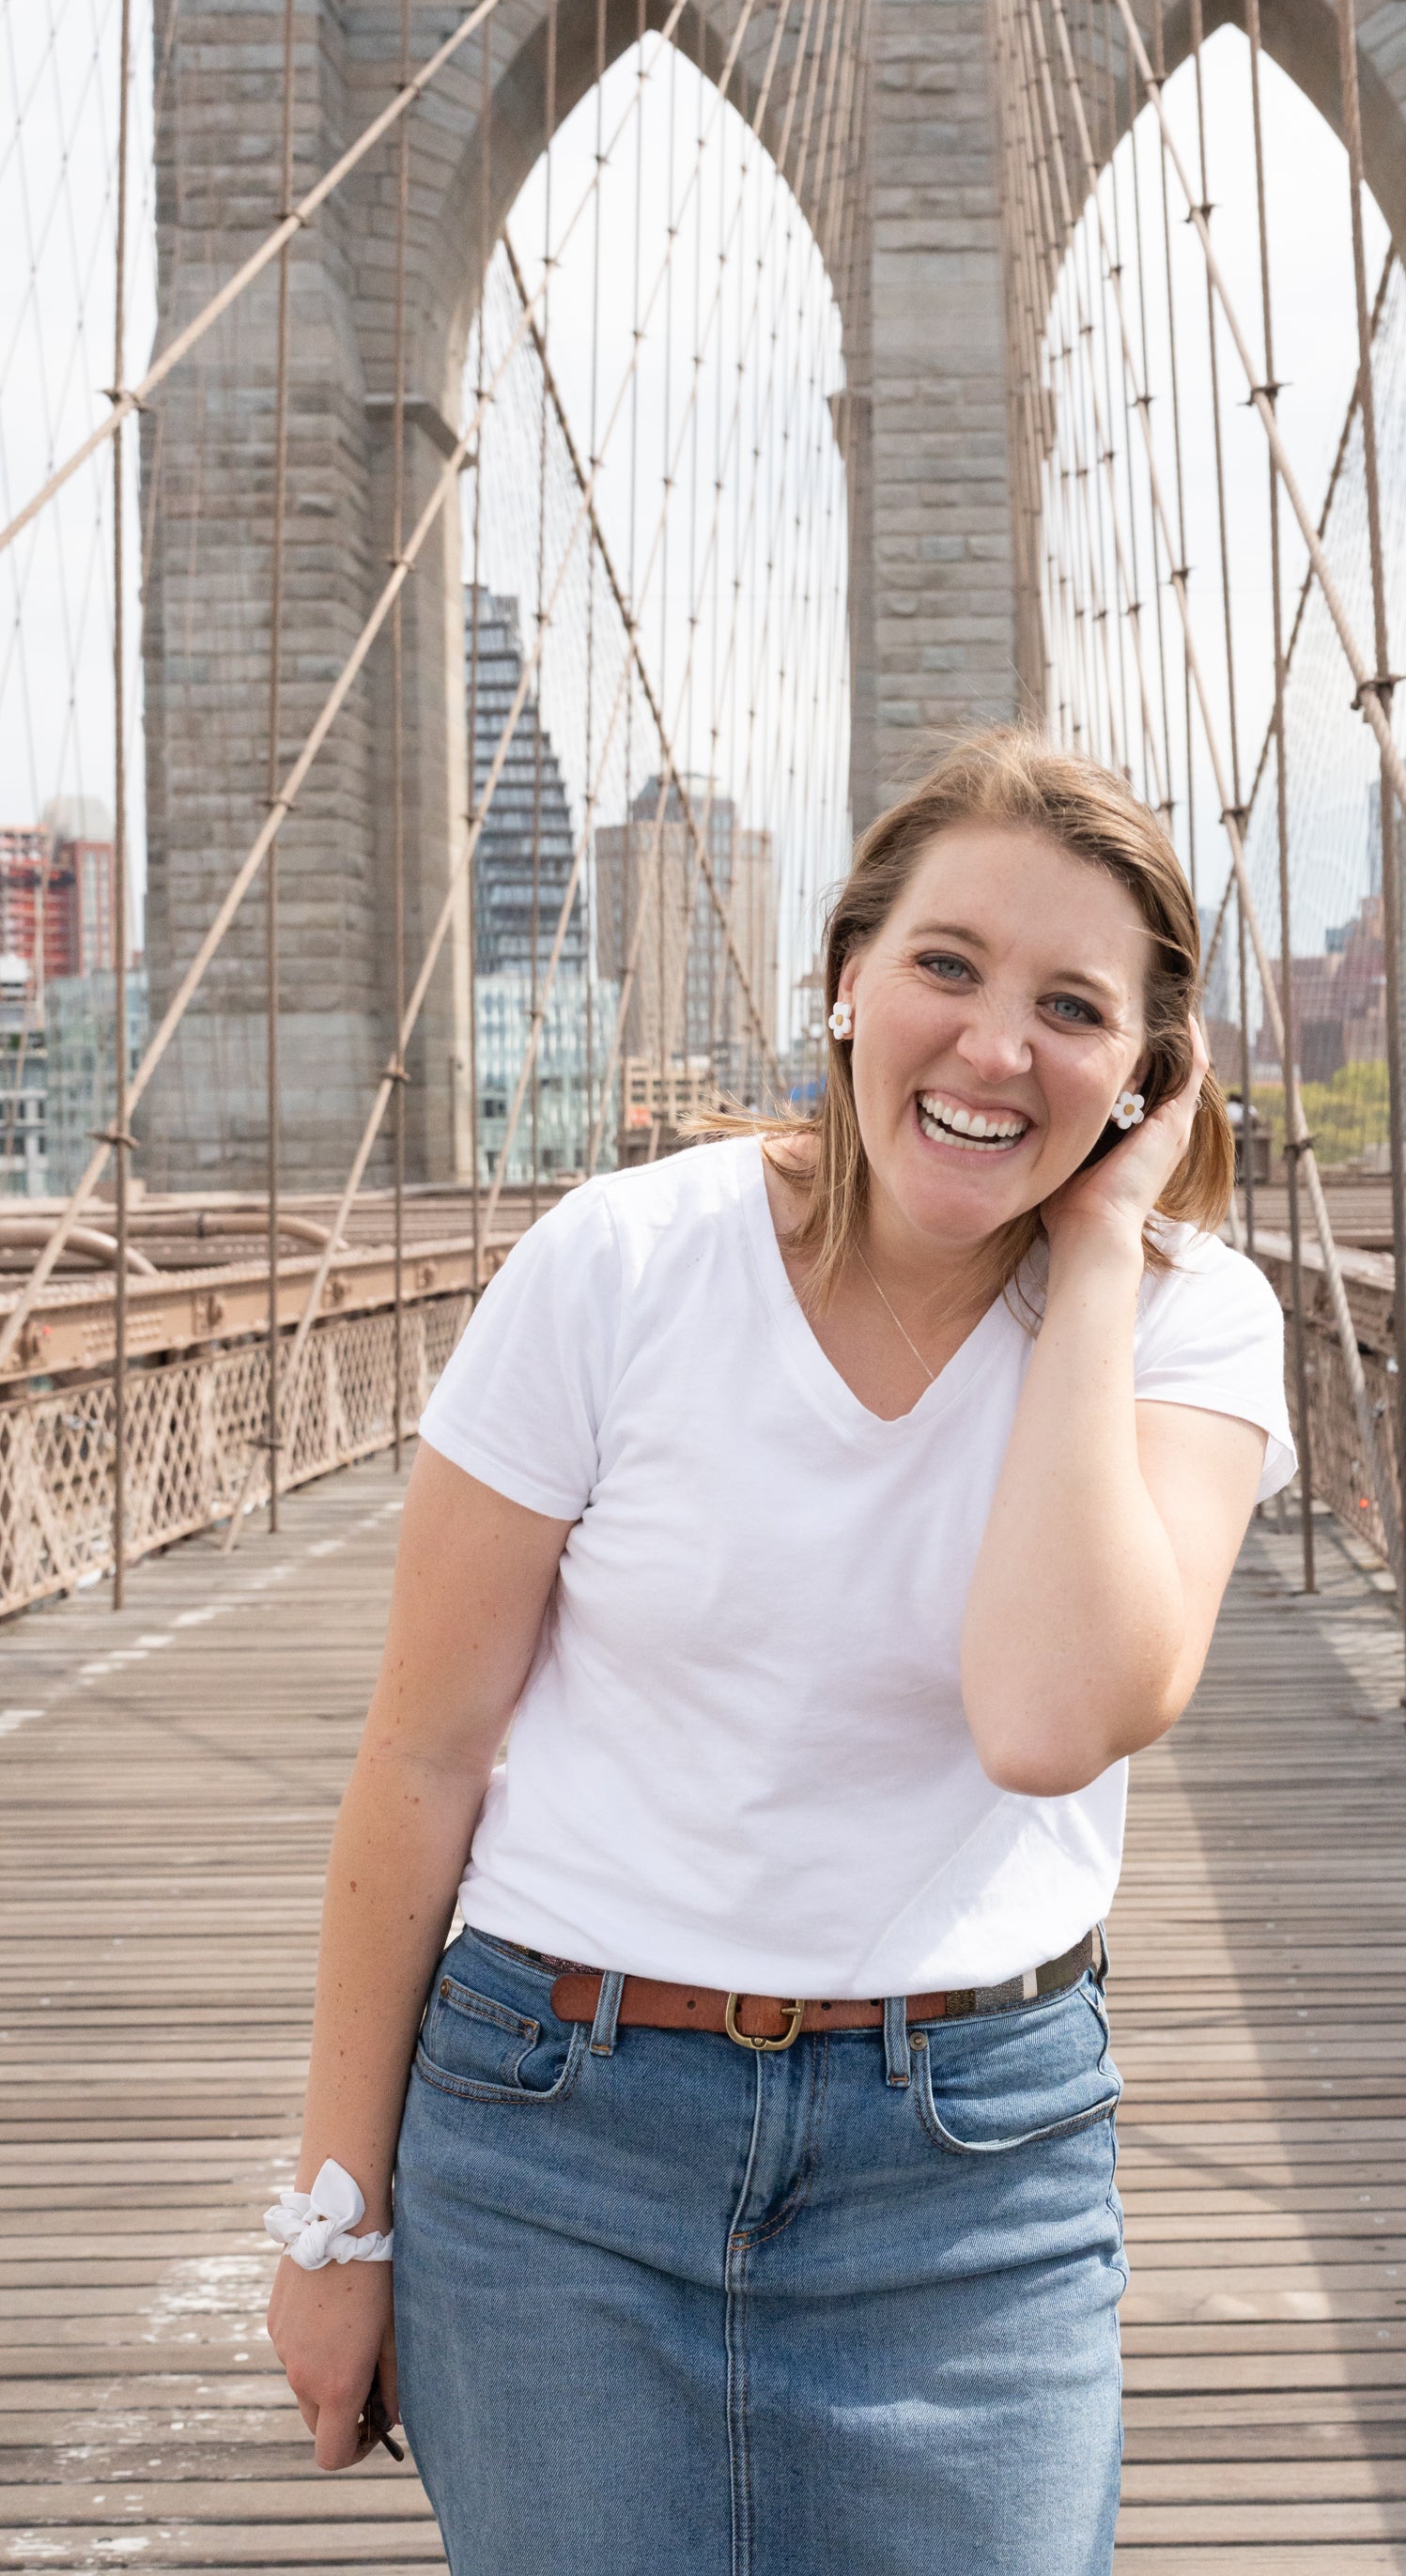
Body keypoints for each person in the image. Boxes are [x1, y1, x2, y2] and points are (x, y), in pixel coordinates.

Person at [265, 730, 1294, 2574]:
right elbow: (422, 1759)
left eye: (1074, 1008)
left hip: (969, 2174)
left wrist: (1102, 1249)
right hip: (554, 2134)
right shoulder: (619, 1265)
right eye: (947, 967)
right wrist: (336, 2225)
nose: (995, 1048)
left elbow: (1052, 1717)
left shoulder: (1191, 1325)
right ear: (844, 980)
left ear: (1148, 1074)